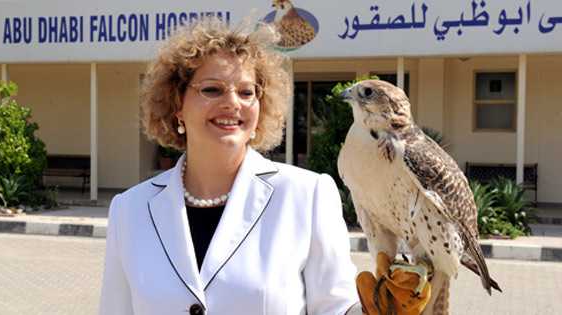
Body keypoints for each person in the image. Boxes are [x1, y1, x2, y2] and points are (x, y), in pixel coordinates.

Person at [98, 18, 429, 315]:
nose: (232, 102)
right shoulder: (130, 210)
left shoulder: (307, 196)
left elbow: (334, 307)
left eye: (247, 92)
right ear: (177, 106)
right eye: (212, 89)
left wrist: (380, 313)